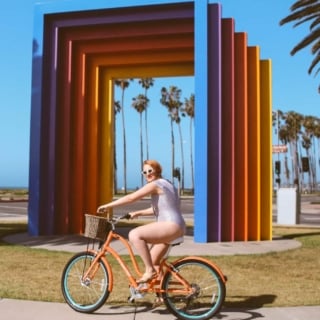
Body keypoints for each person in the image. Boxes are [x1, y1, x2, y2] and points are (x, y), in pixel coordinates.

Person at [97, 159, 186, 283]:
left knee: (134, 235)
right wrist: (137, 213)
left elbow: (131, 198)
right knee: (154, 260)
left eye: (150, 171)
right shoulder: (167, 184)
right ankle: (161, 295)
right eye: (144, 172)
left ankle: (149, 271)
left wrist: (108, 206)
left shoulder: (156, 184)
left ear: (157, 171)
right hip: (177, 225)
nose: (147, 174)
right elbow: (160, 209)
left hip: (170, 225)